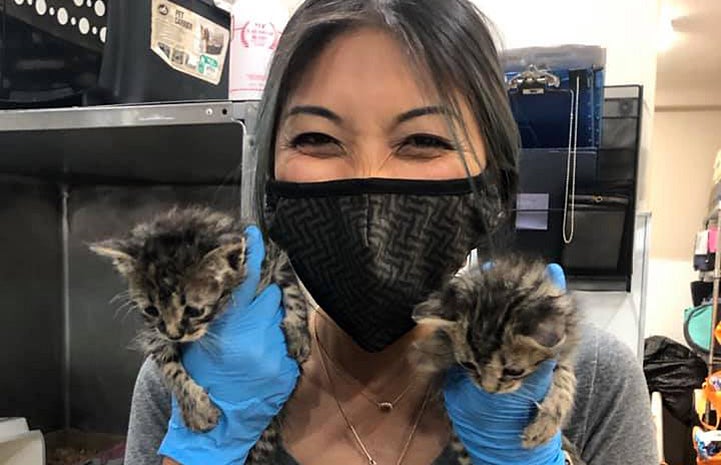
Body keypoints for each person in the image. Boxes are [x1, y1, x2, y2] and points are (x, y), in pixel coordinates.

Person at [123, 1, 658, 464]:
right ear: (269, 177)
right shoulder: (193, 376)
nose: (369, 182)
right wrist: (208, 446)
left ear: (492, 185)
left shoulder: (590, 378)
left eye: (423, 141)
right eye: (317, 138)